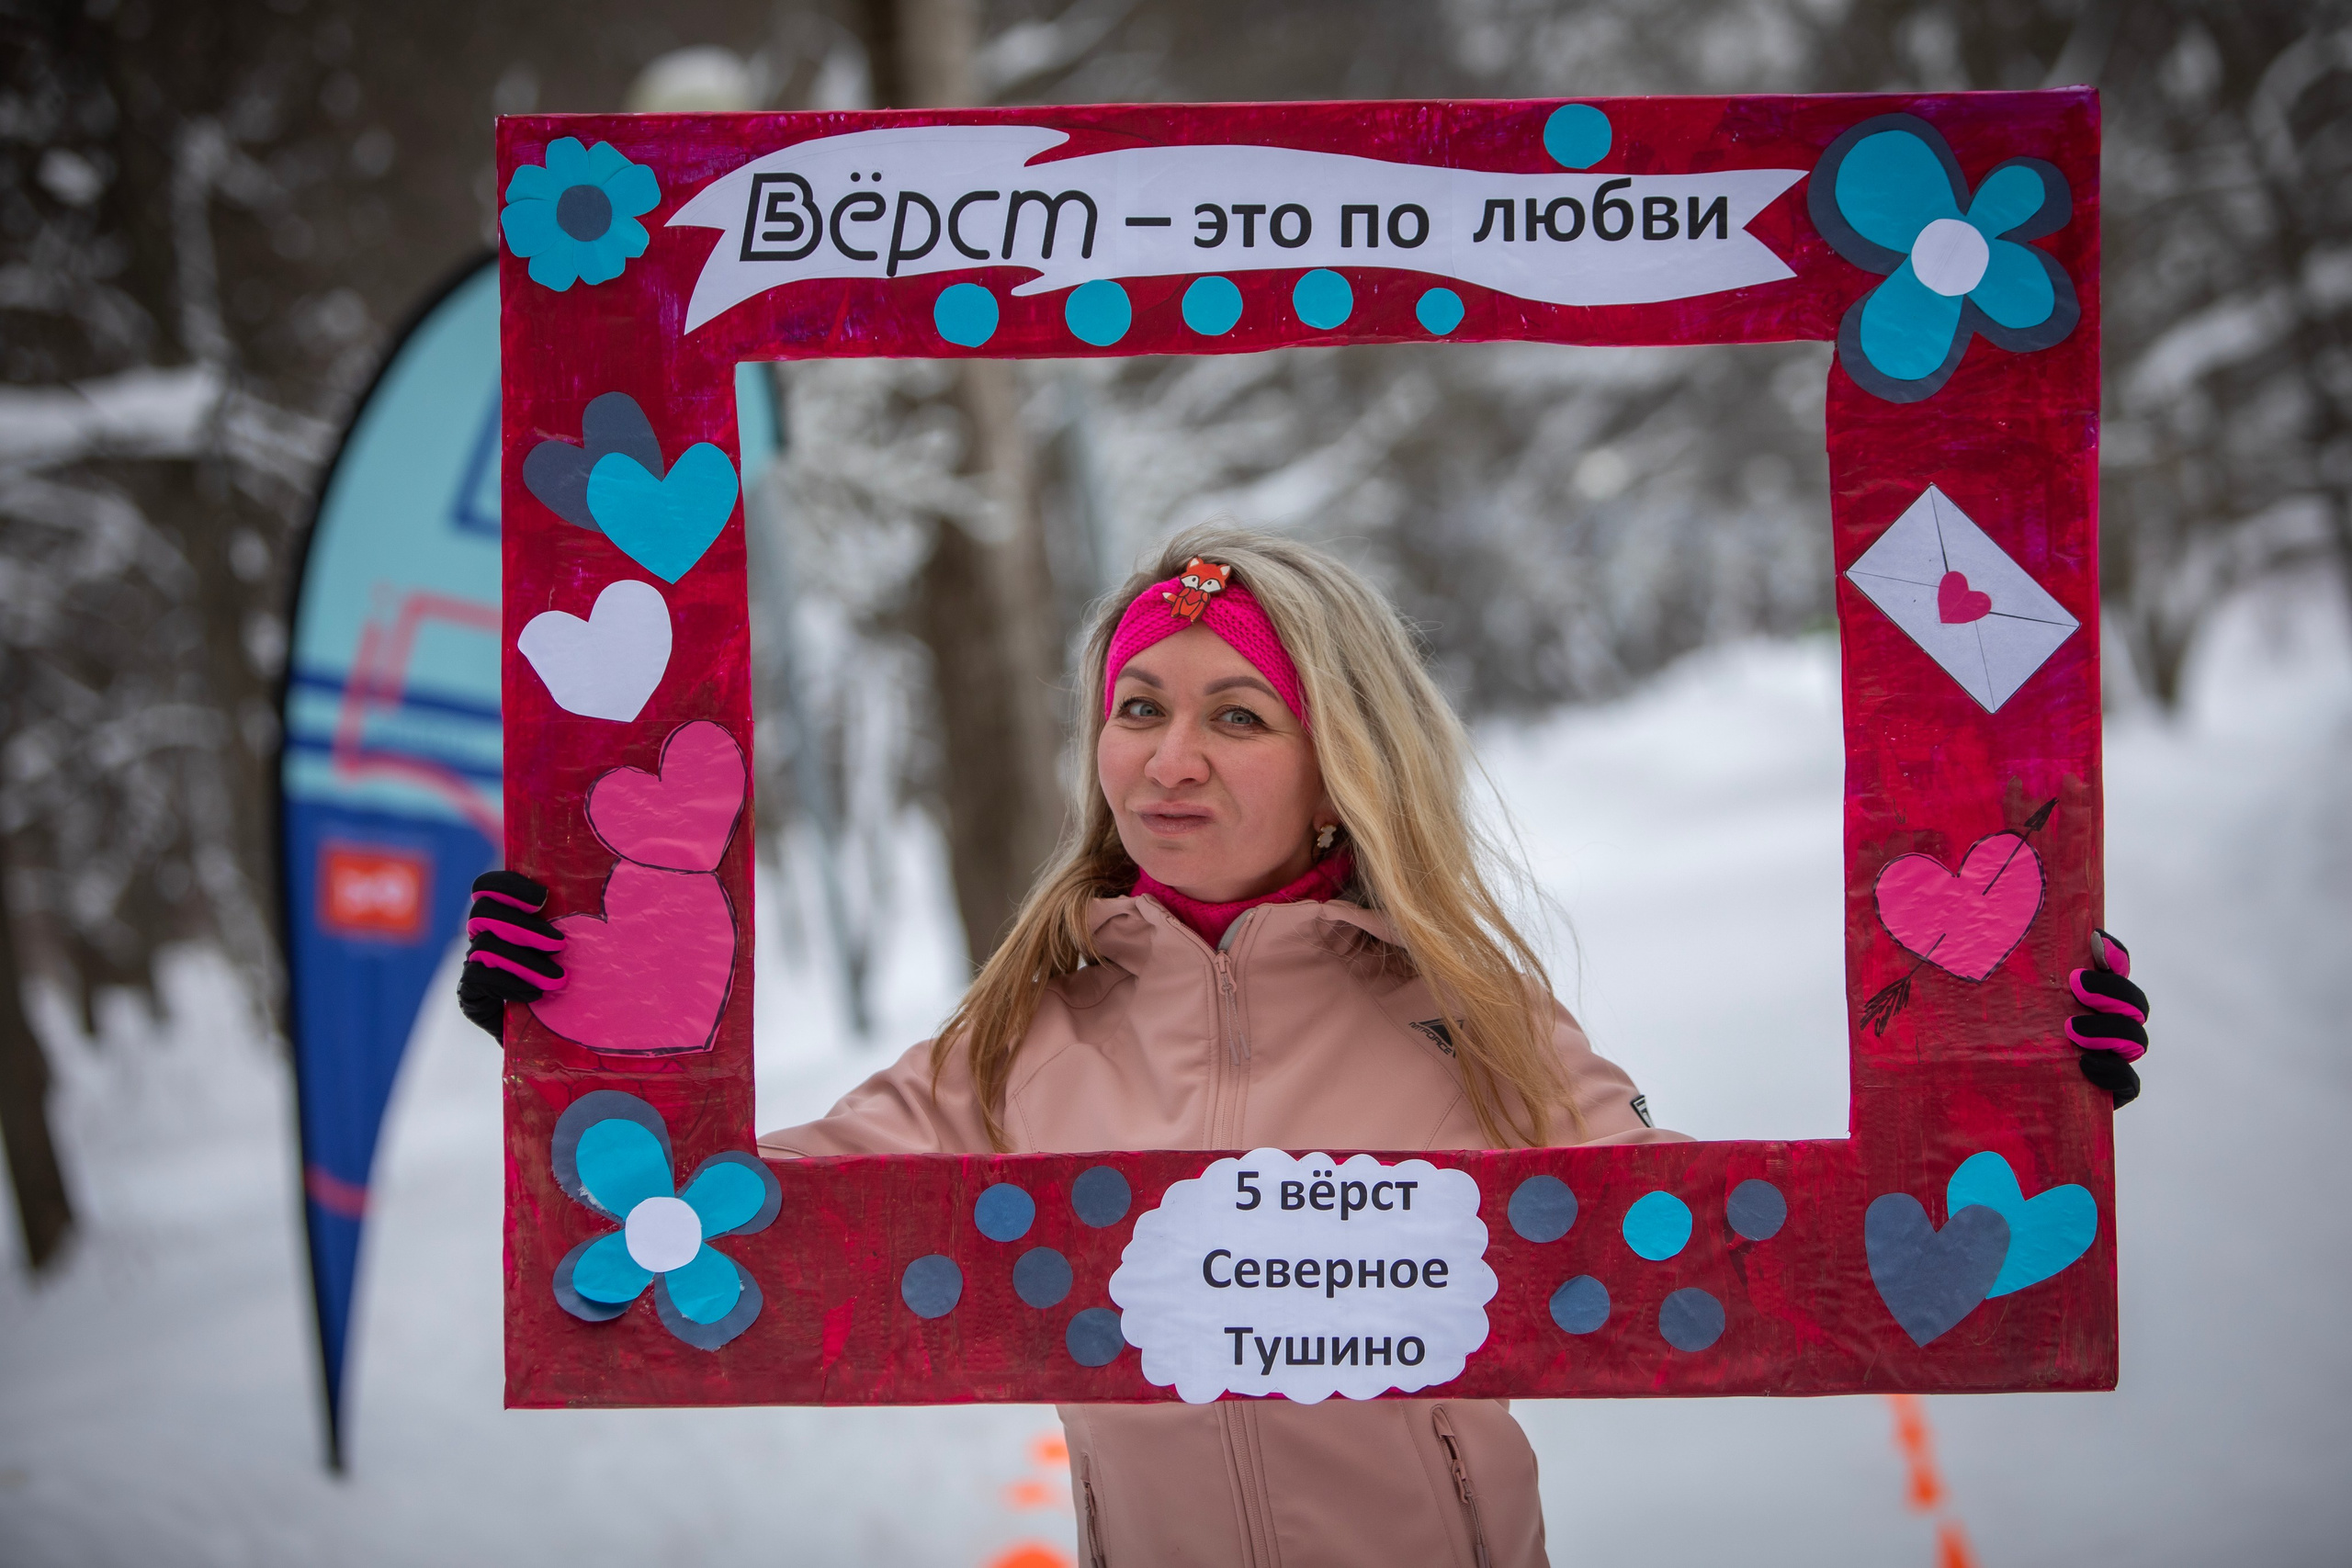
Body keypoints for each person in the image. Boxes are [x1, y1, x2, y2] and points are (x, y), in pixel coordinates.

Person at [459, 526, 2151, 1568]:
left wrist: (2021, 1086)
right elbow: (677, 1258)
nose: (1169, 759)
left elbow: (1740, 1254)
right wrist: (577, 1052)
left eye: (1236, 715)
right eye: (1140, 707)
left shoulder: (1469, 1010)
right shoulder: (1016, 1032)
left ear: (1339, 757)